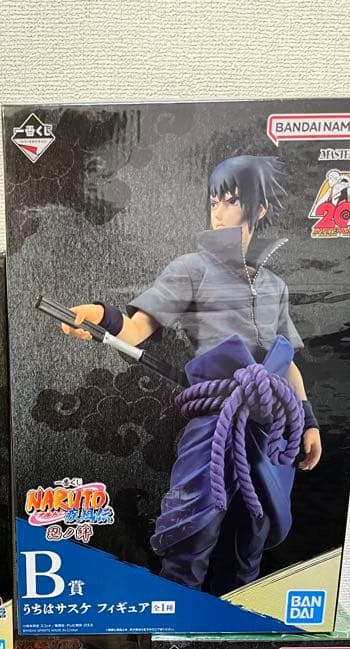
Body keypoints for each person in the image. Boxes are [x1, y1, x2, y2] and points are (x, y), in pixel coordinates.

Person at [62, 156, 322, 595]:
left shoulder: (275, 286)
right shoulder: (191, 268)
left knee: (252, 538)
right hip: (216, 420)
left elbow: (287, 360)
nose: (219, 212)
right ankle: (177, 622)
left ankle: (234, 621)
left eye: (232, 201)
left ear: (258, 208)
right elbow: (137, 328)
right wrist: (102, 316)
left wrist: (308, 420)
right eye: (214, 201)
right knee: (189, 531)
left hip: (271, 425)